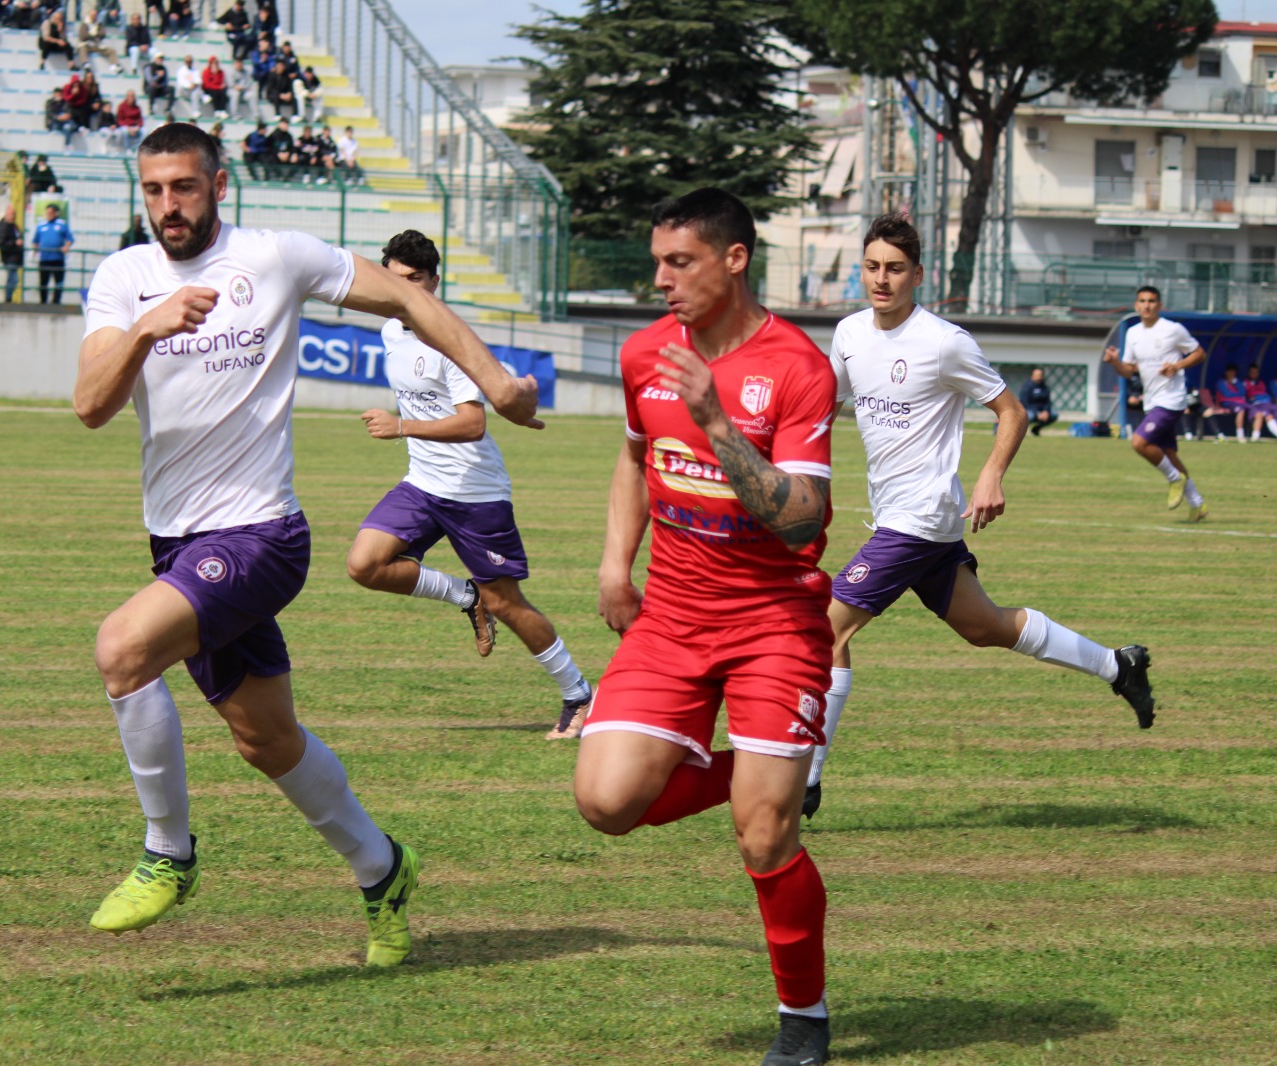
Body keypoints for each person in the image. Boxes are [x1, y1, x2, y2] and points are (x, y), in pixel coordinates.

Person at [73, 123, 540, 964]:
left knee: (121, 650)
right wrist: (148, 328)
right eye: (152, 190)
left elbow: (407, 299)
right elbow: (90, 403)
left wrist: (497, 378)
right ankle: (382, 866)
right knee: (267, 741)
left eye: (183, 186)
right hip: (177, 544)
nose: (168, 206)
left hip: (261, 535)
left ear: (218, 183)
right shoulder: (122, 278)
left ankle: (166, 854)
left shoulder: (276, 256)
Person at [575, 188, 838, 1066]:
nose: (661, 280)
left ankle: (804, 1020)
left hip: (774, 620)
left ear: (734, 260)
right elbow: (634, 455)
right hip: (675, 617)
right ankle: (776, 773)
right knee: (606, 802)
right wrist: (618, 562)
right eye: (657, 262)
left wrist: (720, 423)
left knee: (763, 837)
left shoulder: (798, 367)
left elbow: (803, 519)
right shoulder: (644, 351)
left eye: (679, 262)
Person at [808, 214, 1158, 823]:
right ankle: (1116, 664)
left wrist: (991, 474)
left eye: (894, 269)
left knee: (825, 632)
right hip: (897, 516)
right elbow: (830, 402)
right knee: (986, 626)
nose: (881, 279)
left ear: (918, 274)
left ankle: (804, 779)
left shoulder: (944, 341)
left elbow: (1012, 412)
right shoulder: (849, 334)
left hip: (919, 518)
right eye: (871, 267)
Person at [348, 230, 593, 739]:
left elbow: (473, 424)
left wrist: (401, 426)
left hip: (474, 492)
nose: (407, 292)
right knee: (365, 564)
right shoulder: (392, 331)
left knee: (507, 602)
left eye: (416, 281)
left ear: (435, 282)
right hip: (423, 484)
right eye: (396, 282)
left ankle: (578, 695)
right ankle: (465, 597)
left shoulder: (450, 342)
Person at [1103, 286, 1209, 521]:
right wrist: (1114, 362)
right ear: (1136, 305)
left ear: (1160, 306)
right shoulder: (1132, 333)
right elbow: (1128, 370)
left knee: (1139, 442)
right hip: (1151, 402)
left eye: (1151, 301)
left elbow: (1199, 353)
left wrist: (1177, 366)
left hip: (1171, 400)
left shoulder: (1173, 329)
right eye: (1142, 301)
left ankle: (1174, 480)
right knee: (1169, 454)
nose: (1147, 305)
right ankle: (1197, 504)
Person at [32, 203, 73, 304]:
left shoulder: (62, 224)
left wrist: (66, 246)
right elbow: (35, 241)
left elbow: (70, 239)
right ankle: (43, 301)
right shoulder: (41, 225)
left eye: (51, 213)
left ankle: (56, 302)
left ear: (55, 213)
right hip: (44, 259)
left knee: (58, 282)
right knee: (43, 282)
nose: (48, 214)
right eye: (47, 213)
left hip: (58, 258)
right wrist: (35, 250)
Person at [1018, 366, 1058, 436]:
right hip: (1030, 410)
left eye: (1041, 375)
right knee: (1030, 416)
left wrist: (1046, 411)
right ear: (1032, 376)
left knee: (1054, 414)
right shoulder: (1027, 387)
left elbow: (1047, 402)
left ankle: (1036, 429)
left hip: (1042, 410)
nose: (1039, 377)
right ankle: (1019, 431)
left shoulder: (1044, 387)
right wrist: (1037, 413)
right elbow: (1025, 402)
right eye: (1037, 375)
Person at [76, 7, 118, 72]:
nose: (94, 17)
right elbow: (83, 36)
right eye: (92, 15)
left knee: (111, 50)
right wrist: (94, 36)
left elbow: (102, 34)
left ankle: (114, 65)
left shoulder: (99, 24)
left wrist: (92, 35)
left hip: (96, 45)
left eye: (95, 15)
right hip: (87, 45)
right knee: (82, 48)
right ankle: (85, 64)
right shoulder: (84, 24)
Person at [0, 204, 23, 302]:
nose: (13, 216)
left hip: (15, 257)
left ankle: (8, 298)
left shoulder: (14, 226)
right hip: (9, 257)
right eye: (11, 214)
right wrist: (15, 243)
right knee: (13, 279)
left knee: (12, 278)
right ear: (6, 214)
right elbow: (1, 242)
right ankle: (8, 298)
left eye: (14, 214)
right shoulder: (3, 226)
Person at [1242, 363, 1277, 439]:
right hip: (1256, 405)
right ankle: (1255, 437)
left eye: (1256, 372)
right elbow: (1248, 396)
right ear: (1249, 373)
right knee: (1268, 416)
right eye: (1252, 372)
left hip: (1267, 403)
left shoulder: (1261, 382)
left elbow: (1265, 394)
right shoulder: (1245, 383)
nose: (1254, 374)